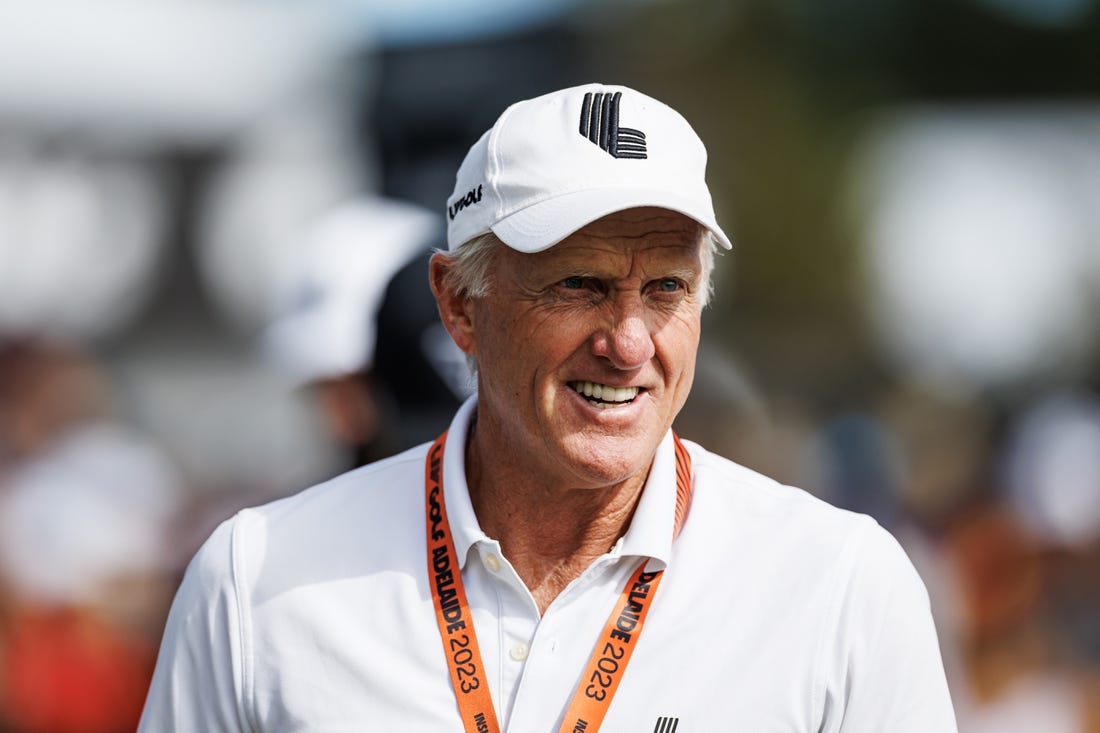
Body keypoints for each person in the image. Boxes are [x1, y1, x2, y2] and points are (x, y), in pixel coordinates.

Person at [138, 83, 958, 732]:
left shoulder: (841, 584)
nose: (629, 343)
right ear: (459, 303)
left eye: (666, 288)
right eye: (580, 285)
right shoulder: (256, 581)